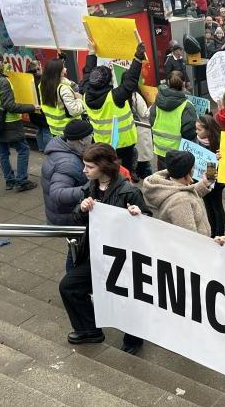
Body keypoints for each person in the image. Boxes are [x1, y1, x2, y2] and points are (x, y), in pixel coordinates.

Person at [59, 143, 150, 354]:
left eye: (89, 166)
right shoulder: (89, 186)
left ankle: (134, 338)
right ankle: (89, 330)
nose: (84, 170)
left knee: (125, 298)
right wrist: (81, 209)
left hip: (121, 259)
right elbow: (75, 219)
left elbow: (147, 226)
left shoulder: (129, 192)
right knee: (69, 287)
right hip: (95, 254)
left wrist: (139, 215)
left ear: (104, 166)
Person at [0, 52, 38, 191]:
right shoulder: (2, 81)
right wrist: (32, 107)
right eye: (3, 62)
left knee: (3, 152)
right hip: (9, 122)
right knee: (23, 150)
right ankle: (22, 181)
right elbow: (9, 106)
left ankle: (9, 181)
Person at [81, 41, 144, 173]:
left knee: (107, 172)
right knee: (124, 173)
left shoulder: (86, 94)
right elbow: (131, 81)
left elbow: (87, 74)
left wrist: (91, 53)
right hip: (123, 145)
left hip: (102, 143)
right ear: (109, 81)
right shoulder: (114, 97)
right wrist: (138, 57)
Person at [41, 119, 92, 271]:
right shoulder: (68, 162)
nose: (93, 139)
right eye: (91, 136)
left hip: (61, 215)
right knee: (76, 251)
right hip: (69, 218)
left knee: (75, 249)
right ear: (82, 140)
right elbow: (57, 193)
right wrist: (88, 188)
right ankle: (72, 283)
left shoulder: (62, 149)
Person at [143, 149, 214, 236]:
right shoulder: (181, 202)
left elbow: (185, 192)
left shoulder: (170, 185)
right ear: (187, 173)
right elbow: (189, 238)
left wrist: (204, 184)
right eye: (193, 168)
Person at [150, 72, 197, 170]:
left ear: (168, 82)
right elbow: (190, 133)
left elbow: (152, 121)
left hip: (160, 151)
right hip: (179, 154)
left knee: (164, 180)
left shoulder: (157, 102)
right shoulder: (187, 106)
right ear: (183, 84)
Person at [194, 115, 225, 236]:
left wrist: (220, 158)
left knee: (217, 206)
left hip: (216, 180)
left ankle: (219, 234)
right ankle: (212, 232)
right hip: (202, 178)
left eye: (199, 129)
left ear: (208, 130)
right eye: (196, 128)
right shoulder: (196, 140)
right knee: (208, 206)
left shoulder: (219, 142)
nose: (196, 131)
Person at [38, 58, 84, 138]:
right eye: (63, 67)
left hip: (54, 128)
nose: (65, 69)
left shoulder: (42, 85)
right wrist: (79, 99)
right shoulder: (63, 89)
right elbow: (75, 111)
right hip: (69, 129)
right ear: (58, 72)